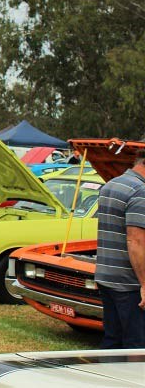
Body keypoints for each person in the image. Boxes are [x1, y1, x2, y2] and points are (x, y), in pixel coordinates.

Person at [94, 148, 145, 348]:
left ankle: (106, 377)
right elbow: (136, 242)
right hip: (129, 284)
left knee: (112, 340)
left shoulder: (111, 185)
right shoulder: (141, 192)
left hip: (107, 277)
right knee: (137, 344)